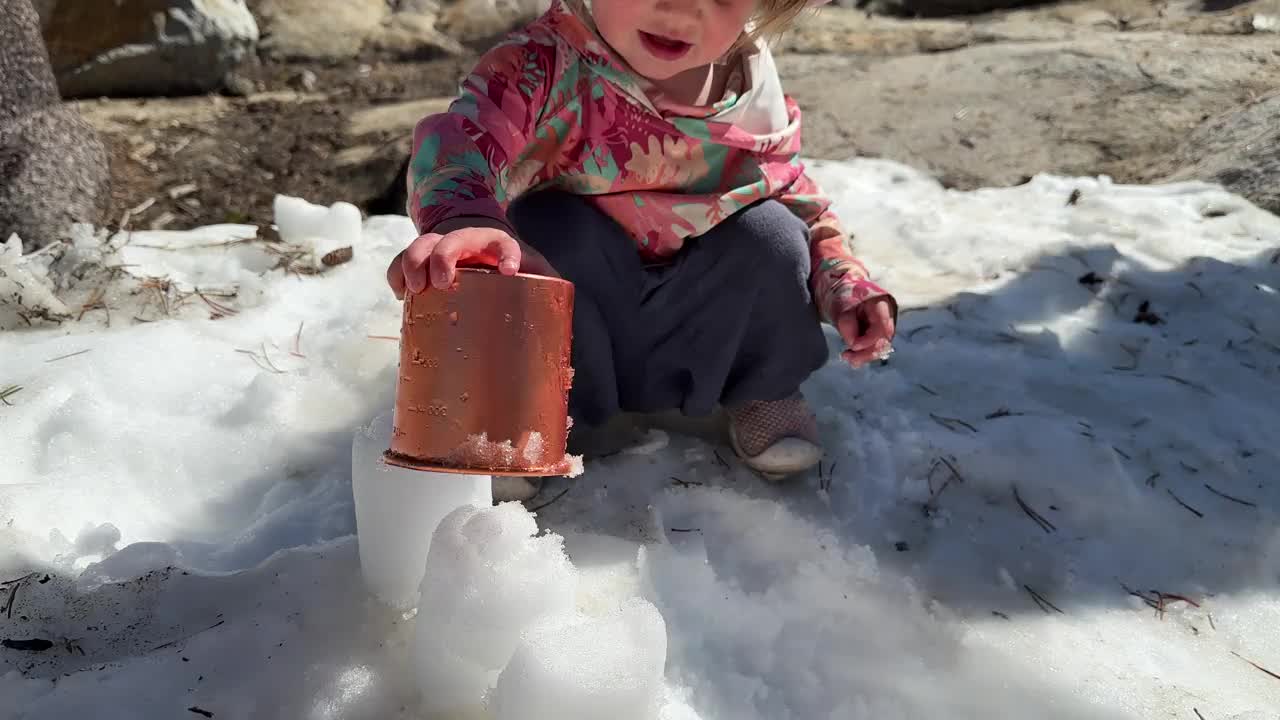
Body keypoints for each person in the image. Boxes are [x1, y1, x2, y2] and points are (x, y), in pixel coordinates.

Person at [386, 0, 898, 501]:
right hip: (579, 319)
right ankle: (528, 417)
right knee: (542, 230)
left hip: (701, 323)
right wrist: (466, 218)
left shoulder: (750, 84)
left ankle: (761, 389)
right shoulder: (542, 64)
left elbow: (791, 190)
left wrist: (843, 280)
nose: (679, 9)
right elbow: (465, 140)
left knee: (771, 236)